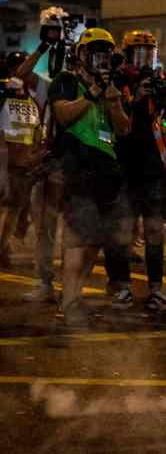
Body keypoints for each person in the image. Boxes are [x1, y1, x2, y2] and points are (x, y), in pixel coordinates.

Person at [50, 28, 133, 326]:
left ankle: (74, 296)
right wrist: (92, 93)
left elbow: (124, 129)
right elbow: (63, 115)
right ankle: (69, 302)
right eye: (95, 52)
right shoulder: (66, 81)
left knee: (94, 241)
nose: (101, 59)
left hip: (107, 174)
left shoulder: (112, 86)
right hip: (77, 171)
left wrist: (113, 100)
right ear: (82, 54)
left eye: (105, 53)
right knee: (75, 241)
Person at [113, 29, 166, 311]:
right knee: (123, 230)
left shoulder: (158, 81)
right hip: (125, 164)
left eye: (149, 54)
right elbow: (116, 115)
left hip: (152, 167)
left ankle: (156, 289)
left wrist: (163, 96)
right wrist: (136, 98)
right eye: (139, 54)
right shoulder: (119, 79)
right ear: (128, 55)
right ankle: (123, 288)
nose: (144, 60)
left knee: (154, 230)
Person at [8, 43, 62, 301]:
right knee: (45, 224)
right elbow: (20, 73)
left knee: (77, 227)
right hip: (44, 164)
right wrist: (44, 45)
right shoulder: (28, 88)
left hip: (67, 164)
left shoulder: (53, 85)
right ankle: (46, 282)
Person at [0, 52, 47, 269]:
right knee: (11, 208)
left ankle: (6, 247)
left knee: (17, 208)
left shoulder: (30, 100)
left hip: (25, 164)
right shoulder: (4, 96)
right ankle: (3, 249)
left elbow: (36, 131)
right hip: (8, 163)